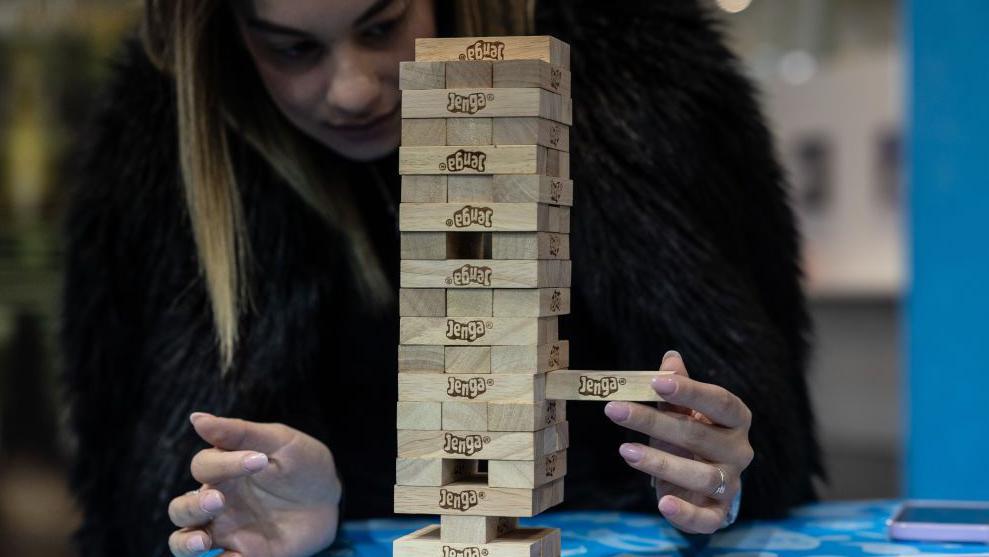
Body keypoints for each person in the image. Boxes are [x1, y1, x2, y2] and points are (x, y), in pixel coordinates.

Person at [61, 1, 824, 556]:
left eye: (380, 27)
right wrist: (277, 507)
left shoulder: (632, 93)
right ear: (230, 39)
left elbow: (757, 430)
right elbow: (139, 503)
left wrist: (722, 469)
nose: (353, 89)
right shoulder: (165, 171)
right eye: (292, 50)